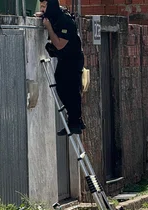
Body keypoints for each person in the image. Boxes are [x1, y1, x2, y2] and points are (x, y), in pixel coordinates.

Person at [36, 0, 86, 135]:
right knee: (64, 89)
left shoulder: (65, 22)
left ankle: (75, 123)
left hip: (73, 60)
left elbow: (58, 44)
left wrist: (48, 27)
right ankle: (75, 122)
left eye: (45, 6)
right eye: (41, 6)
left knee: (70, 91)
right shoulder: (55, 16)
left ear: (51, 6)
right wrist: (41, 15)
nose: (43, 8)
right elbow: (45, 15)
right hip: (66, 59)